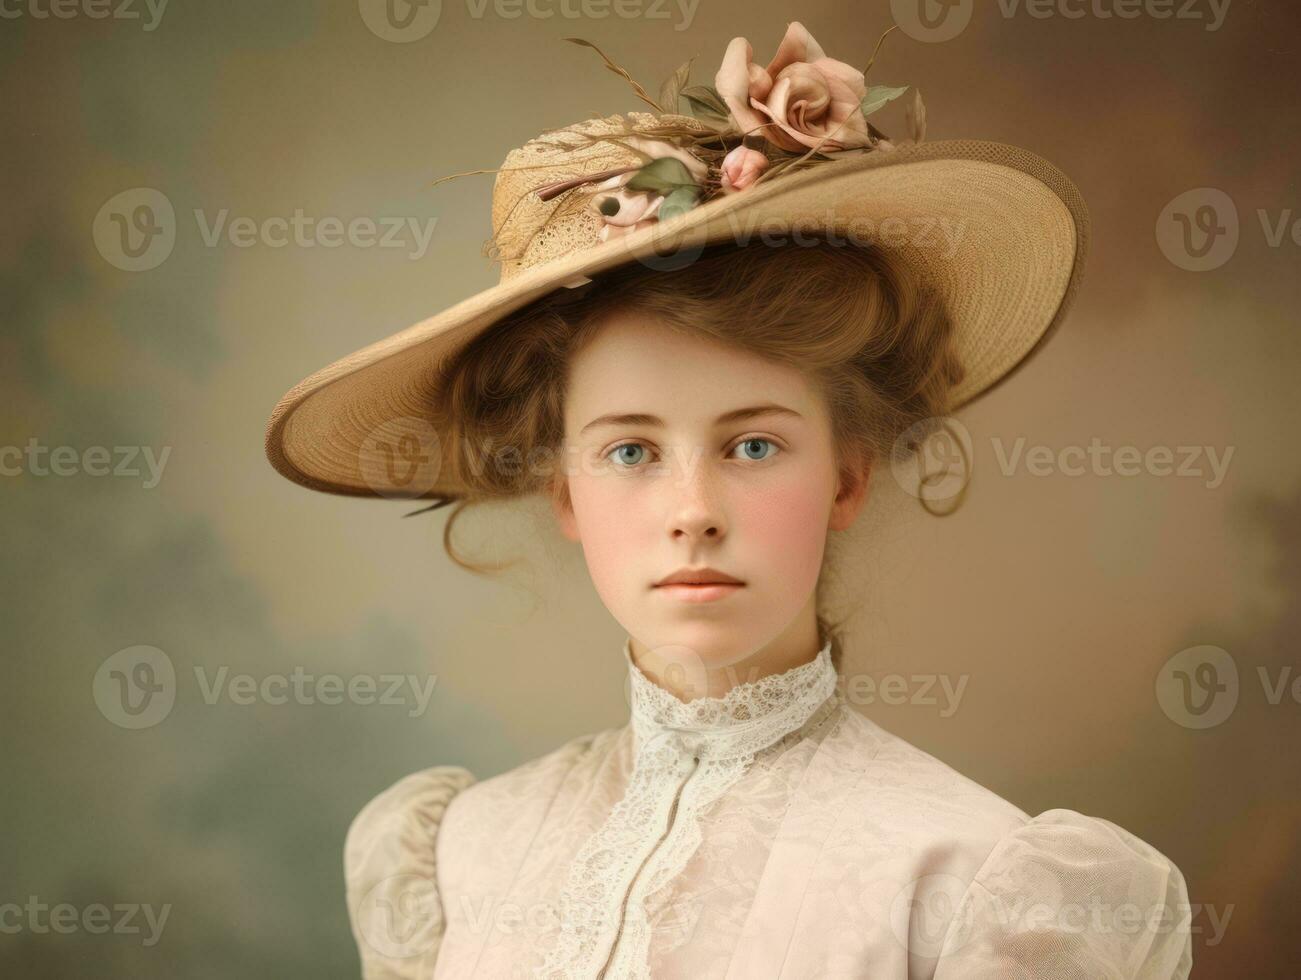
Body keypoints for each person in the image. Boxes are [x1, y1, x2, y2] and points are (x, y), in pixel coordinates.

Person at [264, 22, 1193, 980]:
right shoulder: (463, 851)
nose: (692, 509)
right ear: (564, 492)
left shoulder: (972, 886)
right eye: (629, 450)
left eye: (753, 444)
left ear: (846, 475)